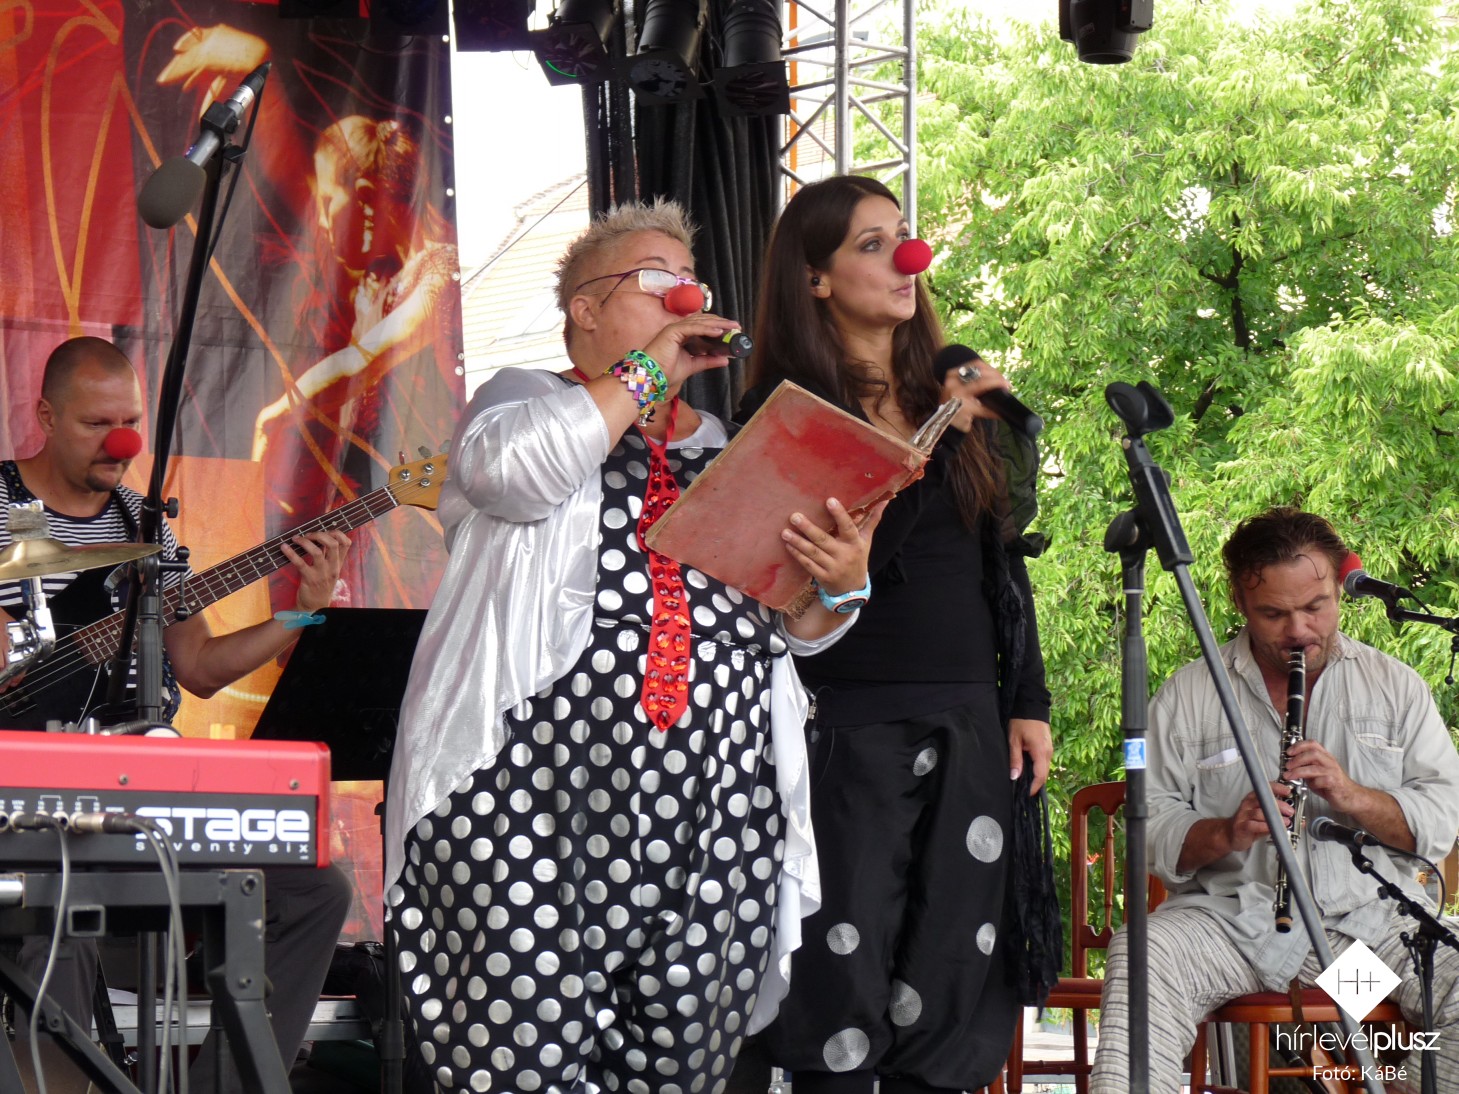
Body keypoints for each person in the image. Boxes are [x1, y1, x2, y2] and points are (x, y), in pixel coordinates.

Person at [383, 198, 882, 1093]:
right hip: (528, 803)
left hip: (715, 815)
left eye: (690, 284)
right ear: (584, 308)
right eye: (658, 283)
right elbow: (512, 474)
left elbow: (792, 628)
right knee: (516, 1062)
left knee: (677, 1070)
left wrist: (842, 583)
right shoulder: (519, 403)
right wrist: (648, 371)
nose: (684, 299)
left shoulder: (731, 447)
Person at [737, 174, 1053, 1094]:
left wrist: (1025, 699)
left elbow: (1002, 558)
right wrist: (915, 450)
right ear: (816, 278)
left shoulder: (949, 400)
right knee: (843, 973)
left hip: (966, 712)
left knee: (954, 968)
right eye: (871, 245)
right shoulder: (784, 416)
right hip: (847, 720)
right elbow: (794, 581)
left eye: (904, 236)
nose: (906, 259)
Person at [0, 336, 354, 1094]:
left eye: (130, 422)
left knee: (316, 890)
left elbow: (198, 667)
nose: (121, 443)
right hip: (28, 795)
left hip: (136, 788)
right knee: (61, 901)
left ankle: (227, 1086)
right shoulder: (3, 508)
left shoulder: (145, 525)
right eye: (97, 424)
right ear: (46, 417)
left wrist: (302, 613)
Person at [1090, 507, 1459, 1092]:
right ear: (1240, 601)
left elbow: (1439, 824)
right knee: (1143, 956)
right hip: (1233, 931)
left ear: (1339, 589)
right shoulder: (1188, 695)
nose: (1299, 631)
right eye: (1274, 613)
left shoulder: (1396, 688)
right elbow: (1151, 830)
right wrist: (1226, 831)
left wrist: (1352, 796)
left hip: (1359, 942)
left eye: (1316, 606)